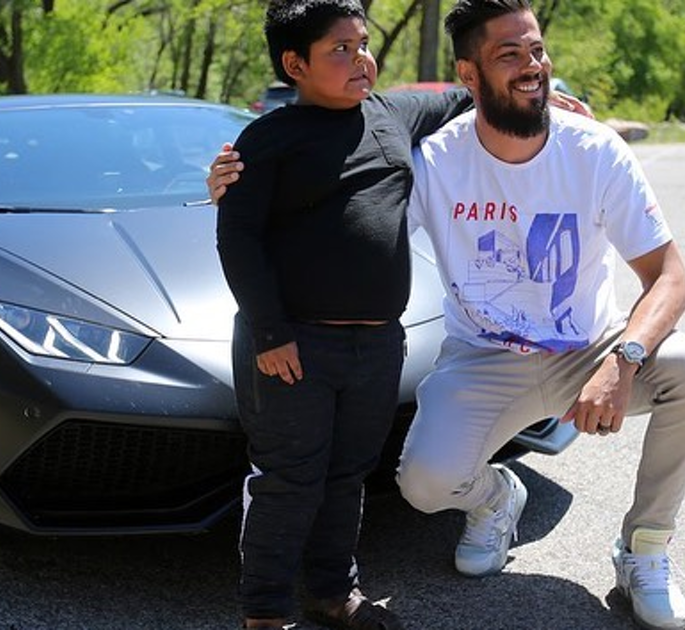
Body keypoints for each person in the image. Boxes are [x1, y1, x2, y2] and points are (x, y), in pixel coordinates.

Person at [393, 2, 685, 629]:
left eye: (537, 50)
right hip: (484, 356)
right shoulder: (435, 162)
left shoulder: (594, 150)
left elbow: (670, 277)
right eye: (509, 55)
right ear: (468, 75)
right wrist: (247, 191)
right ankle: (496, 499)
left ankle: (644, 548)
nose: (533, 66)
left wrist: (624, 360)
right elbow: (351, 219)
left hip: (590, 349)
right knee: (424, 485)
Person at [215, 1, 475, 628]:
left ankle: (335, 592)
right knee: (289, 479)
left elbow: (465, 97)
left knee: (347, 475)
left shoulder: (393, 114)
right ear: (295, 64)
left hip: (377, 346)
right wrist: (271, 333)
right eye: (340, 49)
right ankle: (265, 611)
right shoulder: (267, 140)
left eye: (363, 44)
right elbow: (238, 239)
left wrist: (542, 100)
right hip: (293, 346)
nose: (361, 59)